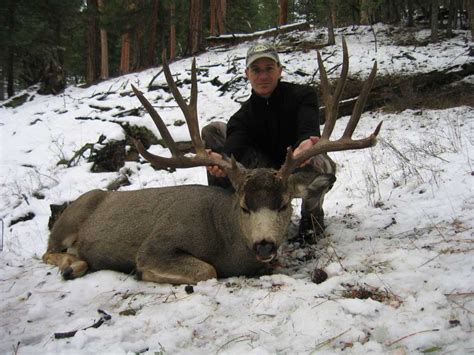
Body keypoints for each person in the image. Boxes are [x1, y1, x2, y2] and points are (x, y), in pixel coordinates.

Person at [202, 43, 336, 243]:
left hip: (295, 166)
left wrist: (305, 144)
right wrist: (221, 162)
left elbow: (309, 126)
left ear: (280, 70)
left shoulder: (302, 95)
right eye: (256, 70)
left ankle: (312, 220)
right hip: (263, 172)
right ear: (247, 74)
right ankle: (231, 216)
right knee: (214, 132)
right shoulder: (243, 116)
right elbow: (235, 145)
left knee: (318, 160)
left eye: (269, 69)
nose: (263, 76)